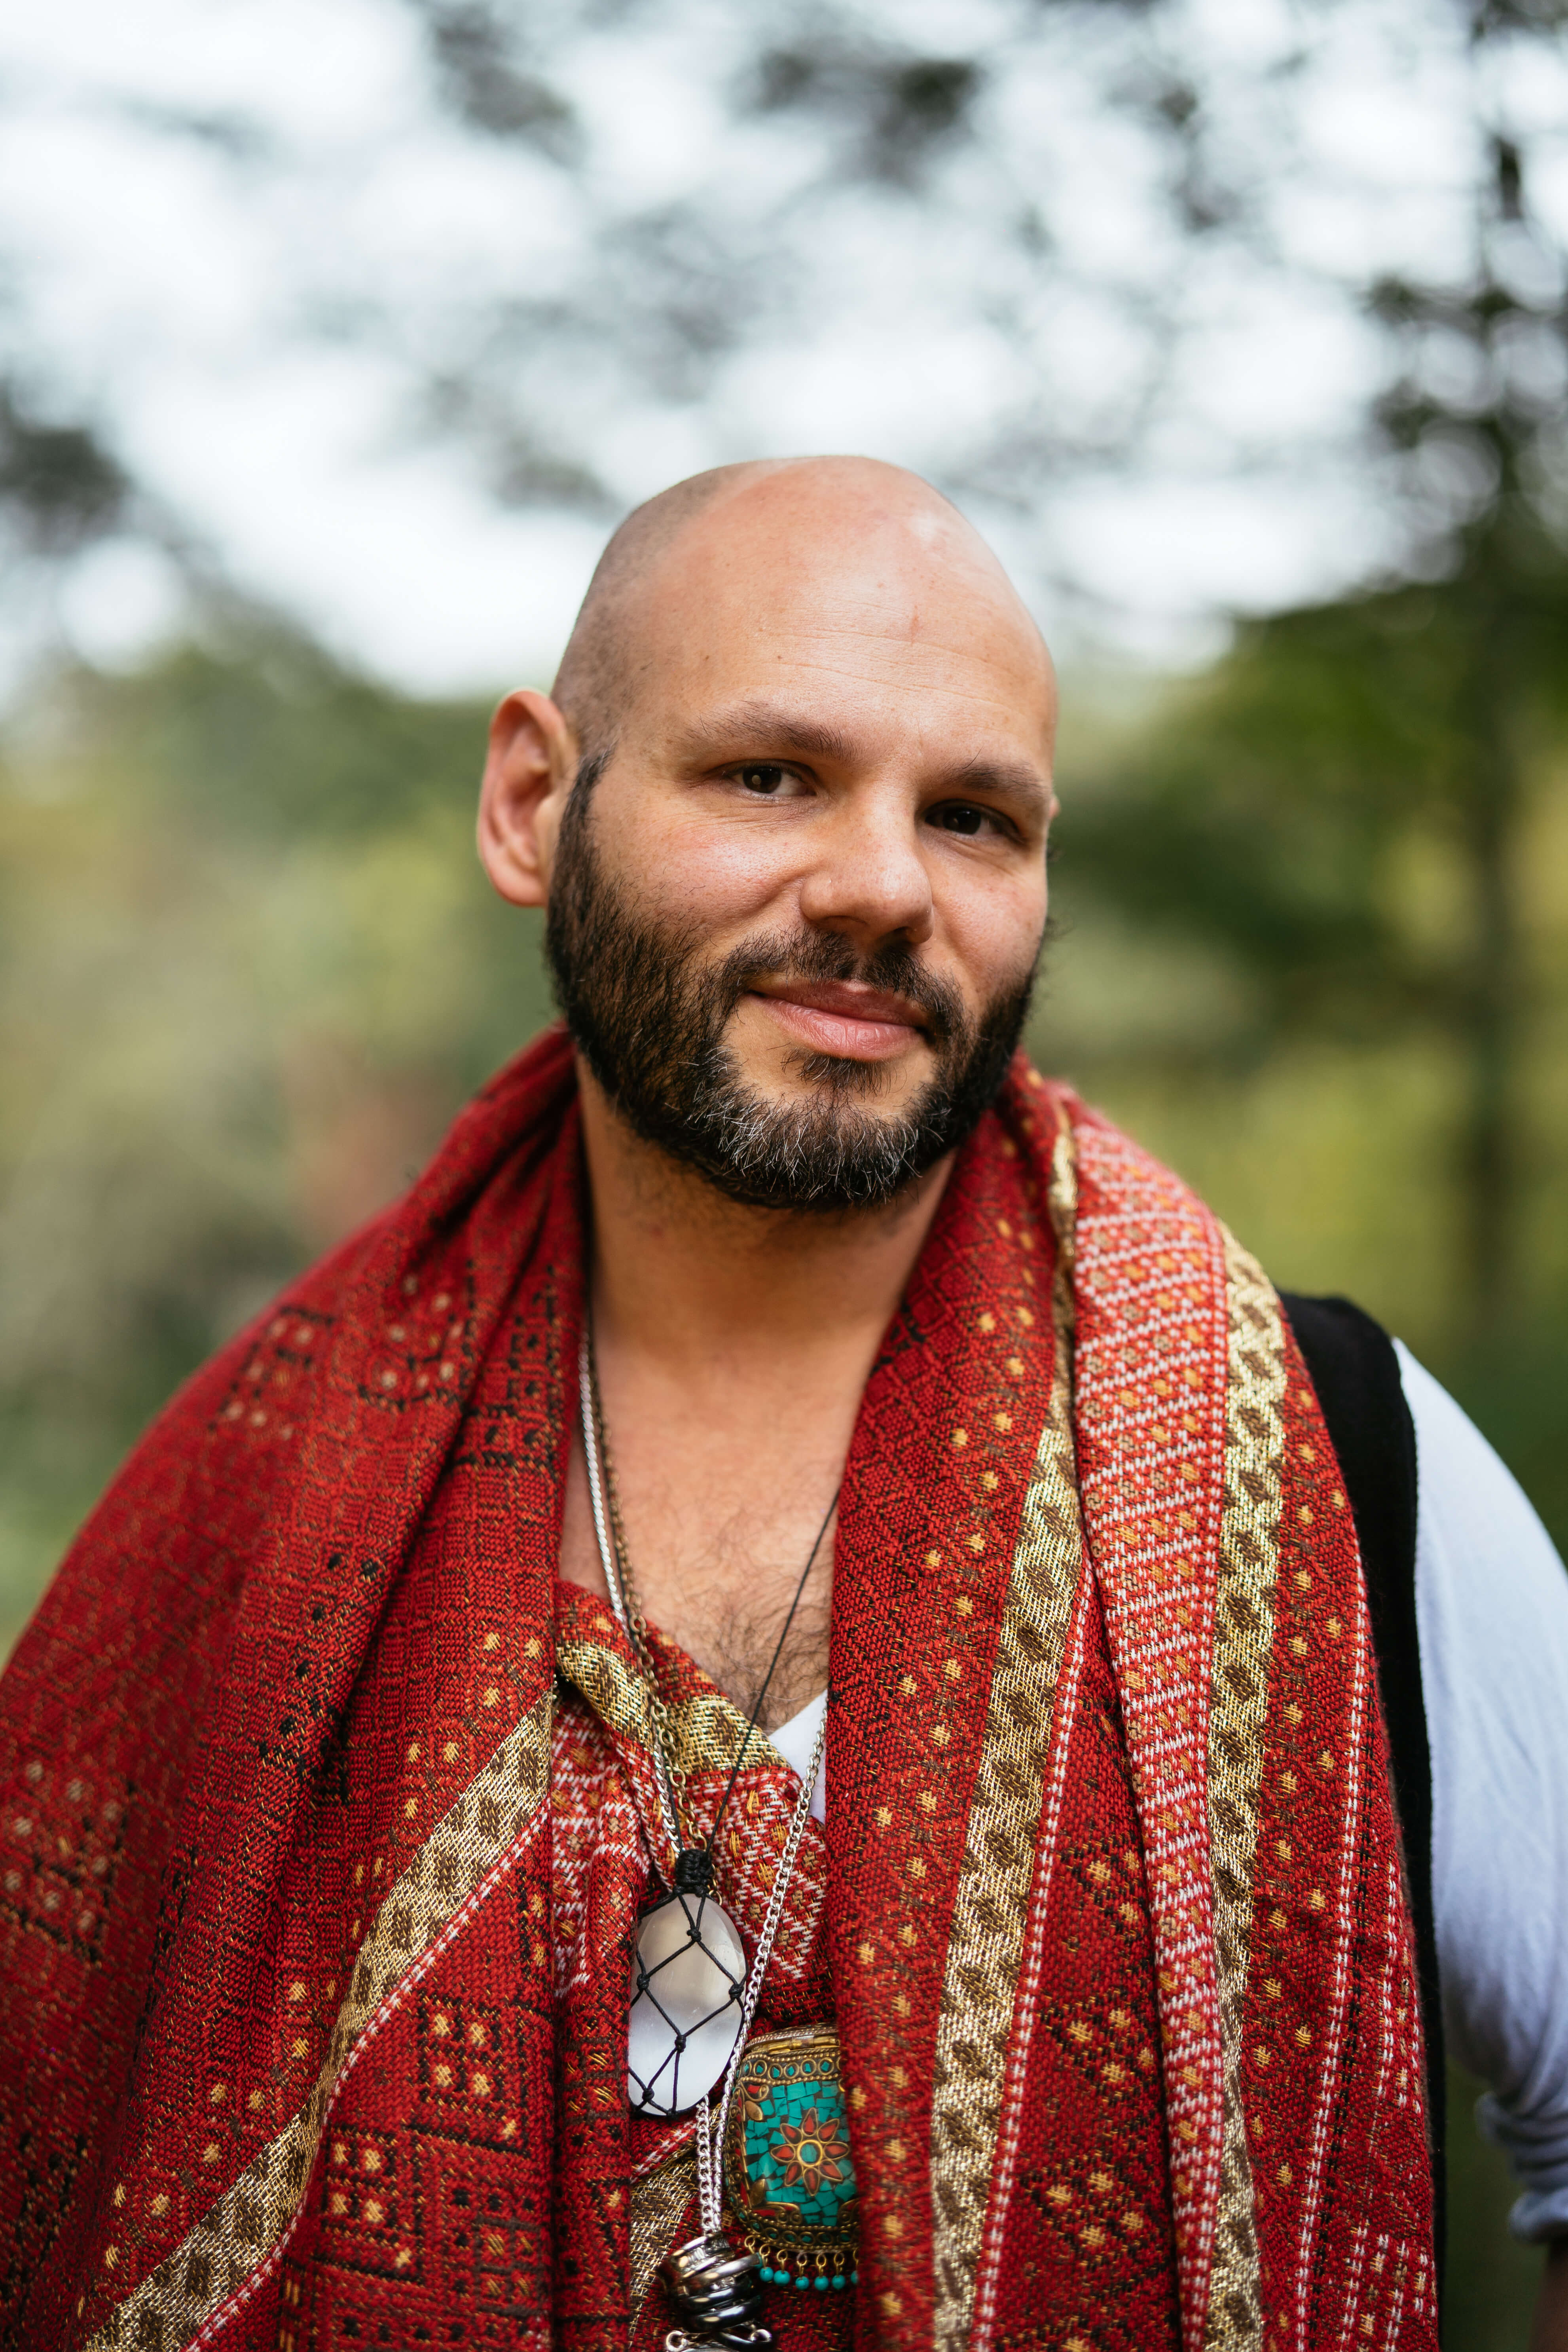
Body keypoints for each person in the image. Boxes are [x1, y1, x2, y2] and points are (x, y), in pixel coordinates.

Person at [0, 457, 1564, 2352]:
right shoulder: (254, 1502)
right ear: (532, 801)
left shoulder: (1328, 1461)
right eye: (769, 775)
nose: (884, 886)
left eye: (972, 816)